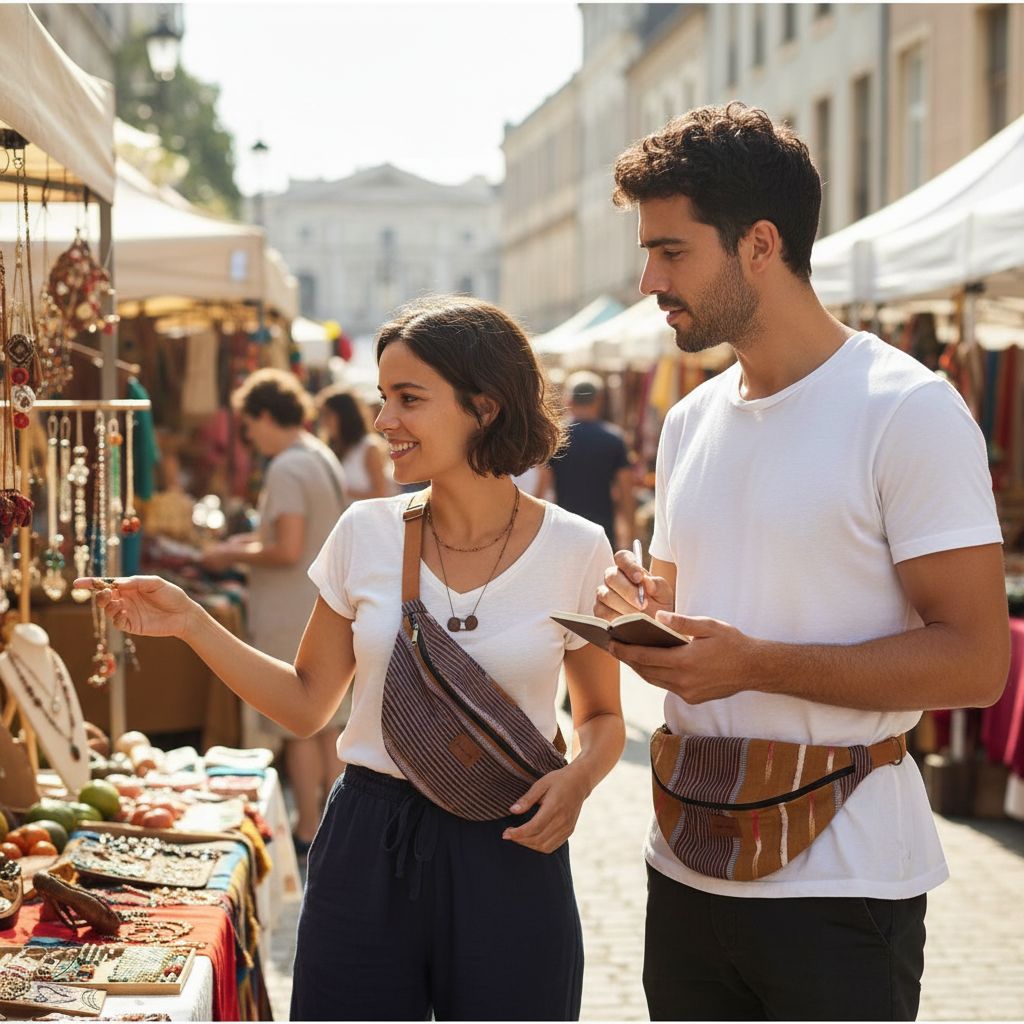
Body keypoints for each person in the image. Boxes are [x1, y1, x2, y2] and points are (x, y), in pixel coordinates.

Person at [82, 296, 625, 1022]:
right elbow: (308, 701)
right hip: (370, 842)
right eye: (382, 398)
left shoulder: (578, 549)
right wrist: (191, 623)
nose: (382, 422)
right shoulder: (363, 533)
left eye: (409, 399)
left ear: (485, 407)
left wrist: (580, 780)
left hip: (512, 844)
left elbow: (603, 716)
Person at [594, 102, 1009, 1021]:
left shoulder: (908, 409)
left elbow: (980, 662)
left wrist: (753, 663)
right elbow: (710, 599)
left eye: (671, 251)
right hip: (687, 858)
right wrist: (644, 610)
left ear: (760, 243)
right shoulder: (690, 419)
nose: (648, 278)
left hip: (843, 882)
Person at [200, 368, 349, 856]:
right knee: (329, 722)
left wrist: (230, 555)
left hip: (291, 607)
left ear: (266, 416)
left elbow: (285, 548)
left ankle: (309, 826)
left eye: (249, 425)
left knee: (298, 725)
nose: (249, 436)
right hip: (319, 601)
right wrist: (247, 543)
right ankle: (336, 821)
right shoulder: (318, 454)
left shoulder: (287, 465)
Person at [545, 371, 636, 550]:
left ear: (568, 400)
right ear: (599, 400)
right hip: (602, 531)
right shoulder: (614, 439)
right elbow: (626, 492)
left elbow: (543, 489)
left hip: (564, 529)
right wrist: (631, 534)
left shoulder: (557, 437)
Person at [315, 384, 396, 500]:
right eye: (322, 416)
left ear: (344, 416)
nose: (323, 422)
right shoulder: (330, 449)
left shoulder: (370, 447)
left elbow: (381, 494)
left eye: (328, 415)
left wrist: (340, 490)